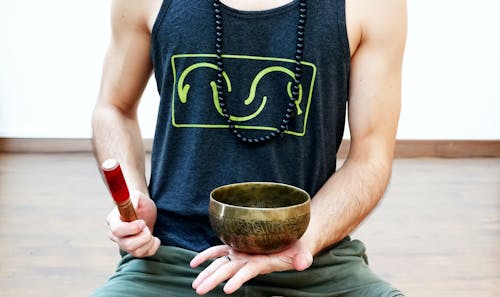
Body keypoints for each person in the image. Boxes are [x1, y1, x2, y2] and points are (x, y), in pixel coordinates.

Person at [90, 0, 407, 296]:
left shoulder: (373, 5)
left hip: (310, 258)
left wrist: (304, 243)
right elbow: (113, 108)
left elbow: (369, 157)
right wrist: (132, 200)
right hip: (174, 254)